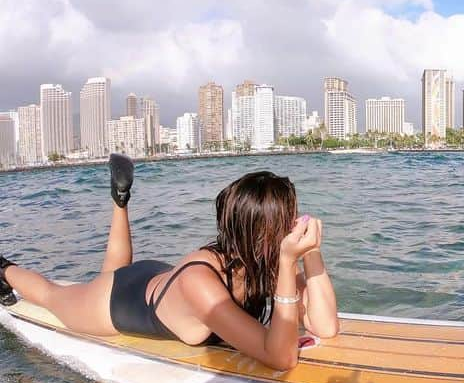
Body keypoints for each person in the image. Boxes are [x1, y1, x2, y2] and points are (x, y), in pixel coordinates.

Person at [0, 155, 339, 371]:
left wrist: (311, 254)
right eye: (288, 218)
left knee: (111, 270)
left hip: (160, 277)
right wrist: (288, 259)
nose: (296, 223)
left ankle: (120, 200)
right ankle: (4, 268)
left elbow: (325, 327)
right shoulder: (202, 286)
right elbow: (280, 358)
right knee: (52, 296)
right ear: (262, 233)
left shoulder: (262, 259)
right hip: (119, 301)